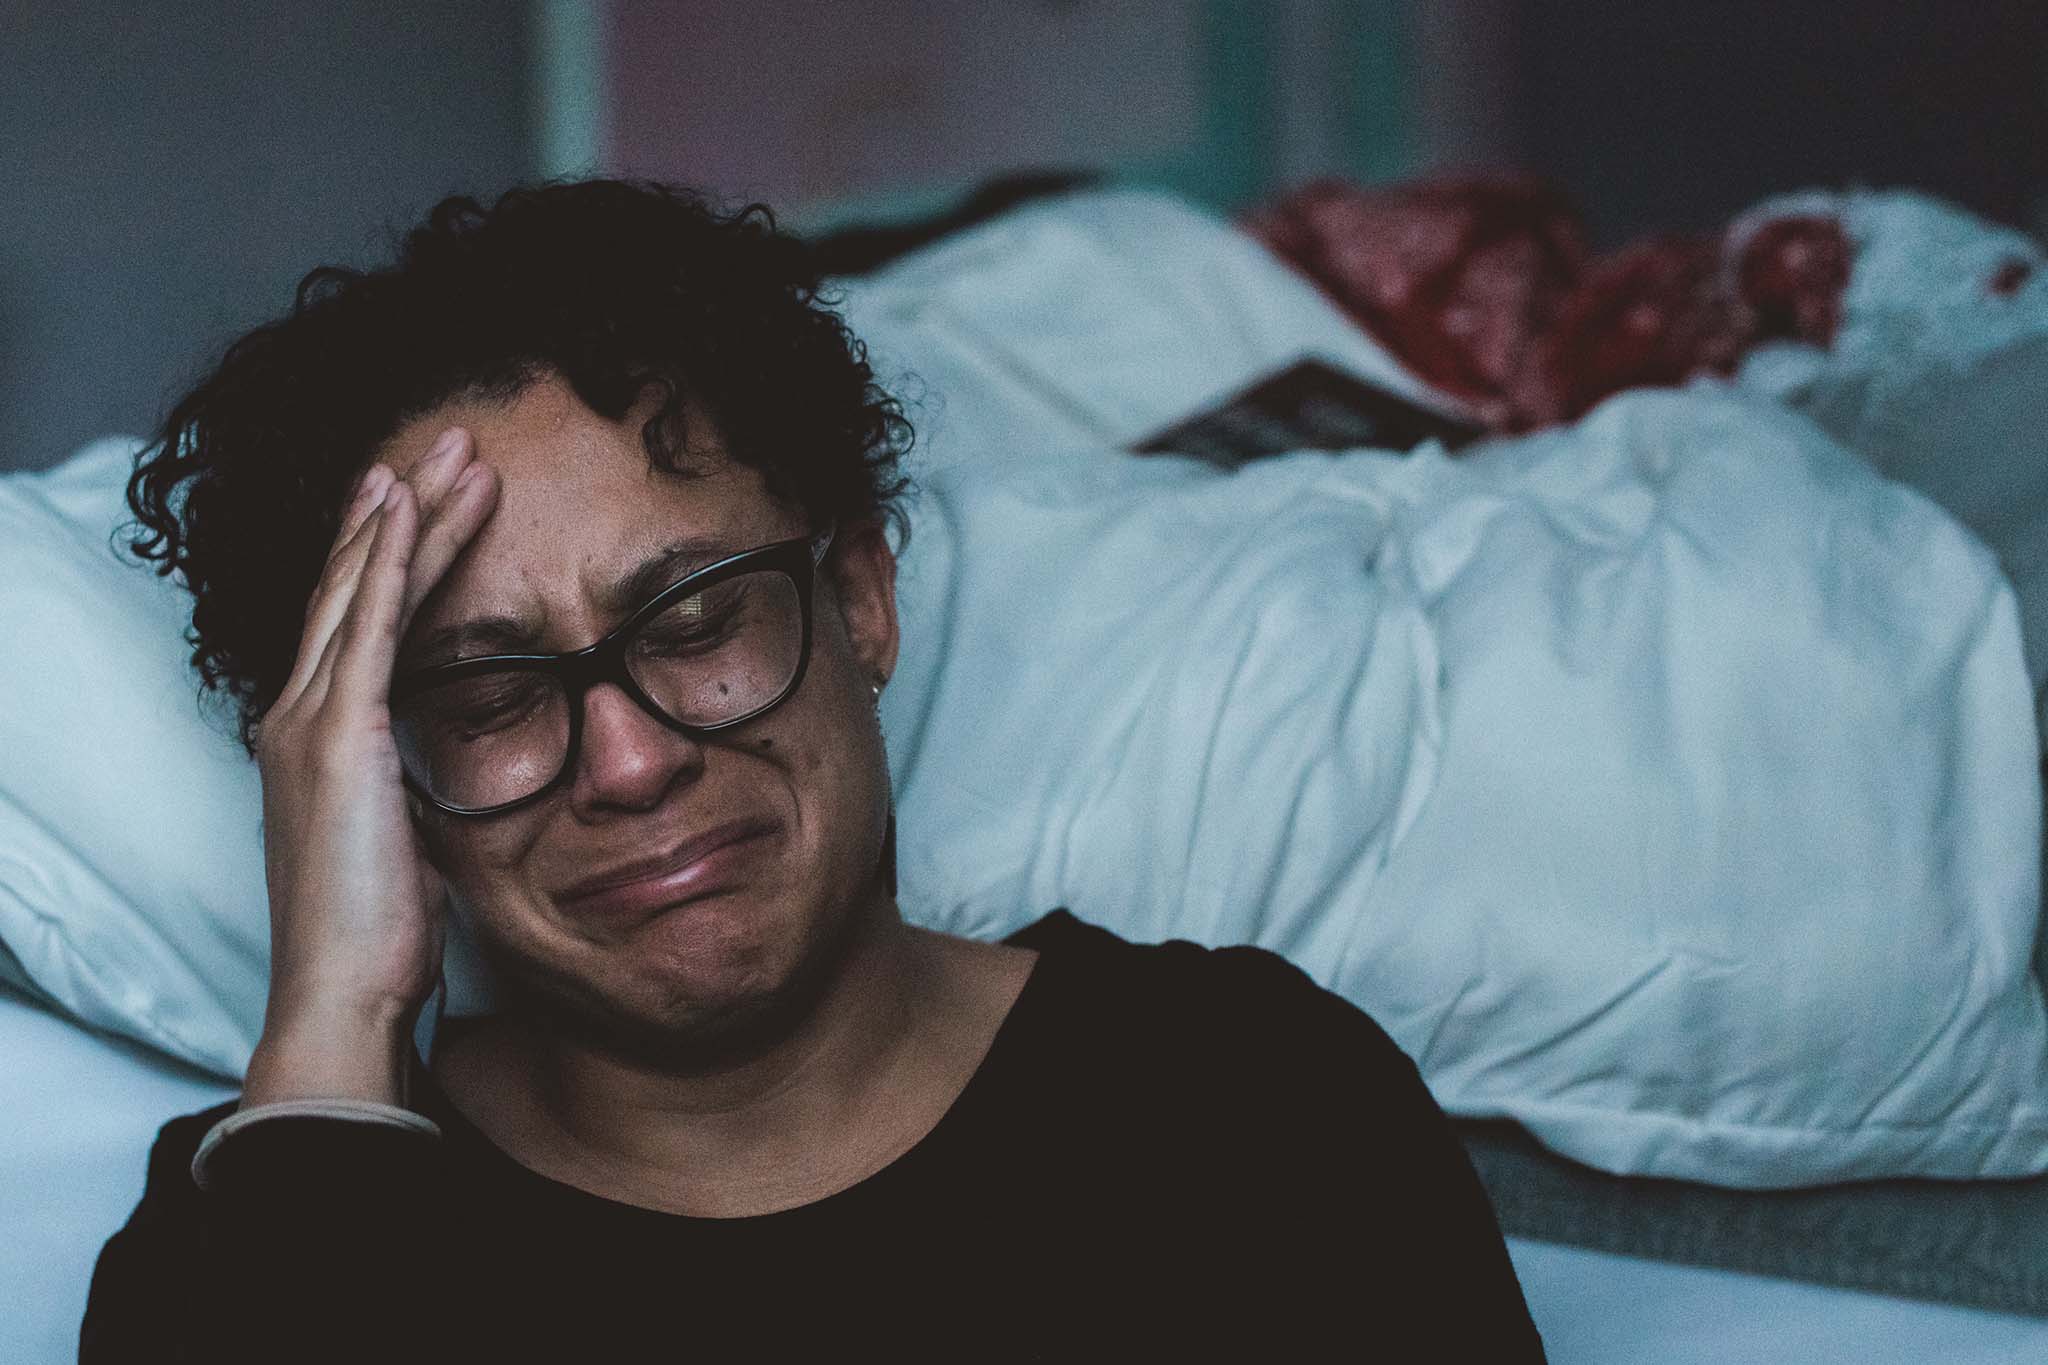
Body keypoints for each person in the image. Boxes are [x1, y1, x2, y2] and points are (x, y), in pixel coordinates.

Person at [80, 180, 1545, 1361]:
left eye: (701, 619)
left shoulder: (1254, 1107)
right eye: (490, 693)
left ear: (859, 600)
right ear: (381, 775)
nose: (634, 759)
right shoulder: (252, 1225)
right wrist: (336, 1016)